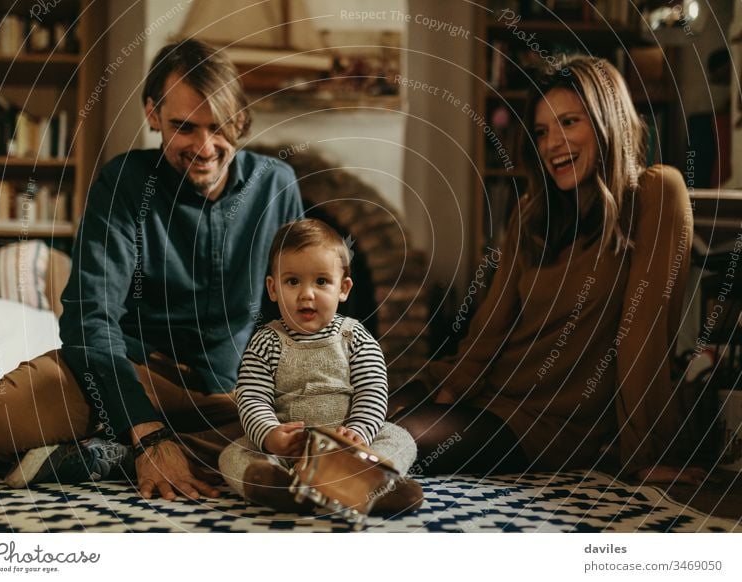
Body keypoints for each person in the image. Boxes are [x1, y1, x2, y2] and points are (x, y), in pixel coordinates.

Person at [0, 39, 303, 500]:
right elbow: (89, 317)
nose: (206, 147)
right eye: (184, 128)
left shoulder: (276, 183)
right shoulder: (123, 183)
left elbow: (294, 307)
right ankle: (128, 442)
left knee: (313, 419)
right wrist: (148, 432)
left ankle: (98, 455)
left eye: (222, 127)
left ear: (241, 117)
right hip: (134, 374)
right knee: (3, 414)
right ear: (152, 114)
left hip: (231, 391)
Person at [392, 55, 704, 485]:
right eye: (542, 131)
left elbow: (643, 332)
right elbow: (492, 324)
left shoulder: (656, 193)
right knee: (357, 418)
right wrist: (446, 392)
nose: (553, 143)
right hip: (487, 389)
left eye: (569, 122)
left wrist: (647, 452)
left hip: (548, 423)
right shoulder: (532, 213)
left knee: (393, 442)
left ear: (606, 122)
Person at [219, 219, 421, 513]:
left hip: (350, 451)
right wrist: (270, 434)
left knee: (399, 437)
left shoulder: (355, 338)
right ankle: (277, 487)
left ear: (344, 288)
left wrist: (359, 432)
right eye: (292, 281)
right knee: (234, 453)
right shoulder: (266, 342)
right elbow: (252, 397)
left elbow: (373, 390)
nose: (307, 294)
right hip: (292, 453)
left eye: (321, 281)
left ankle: (378, 483)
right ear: (273, 289)